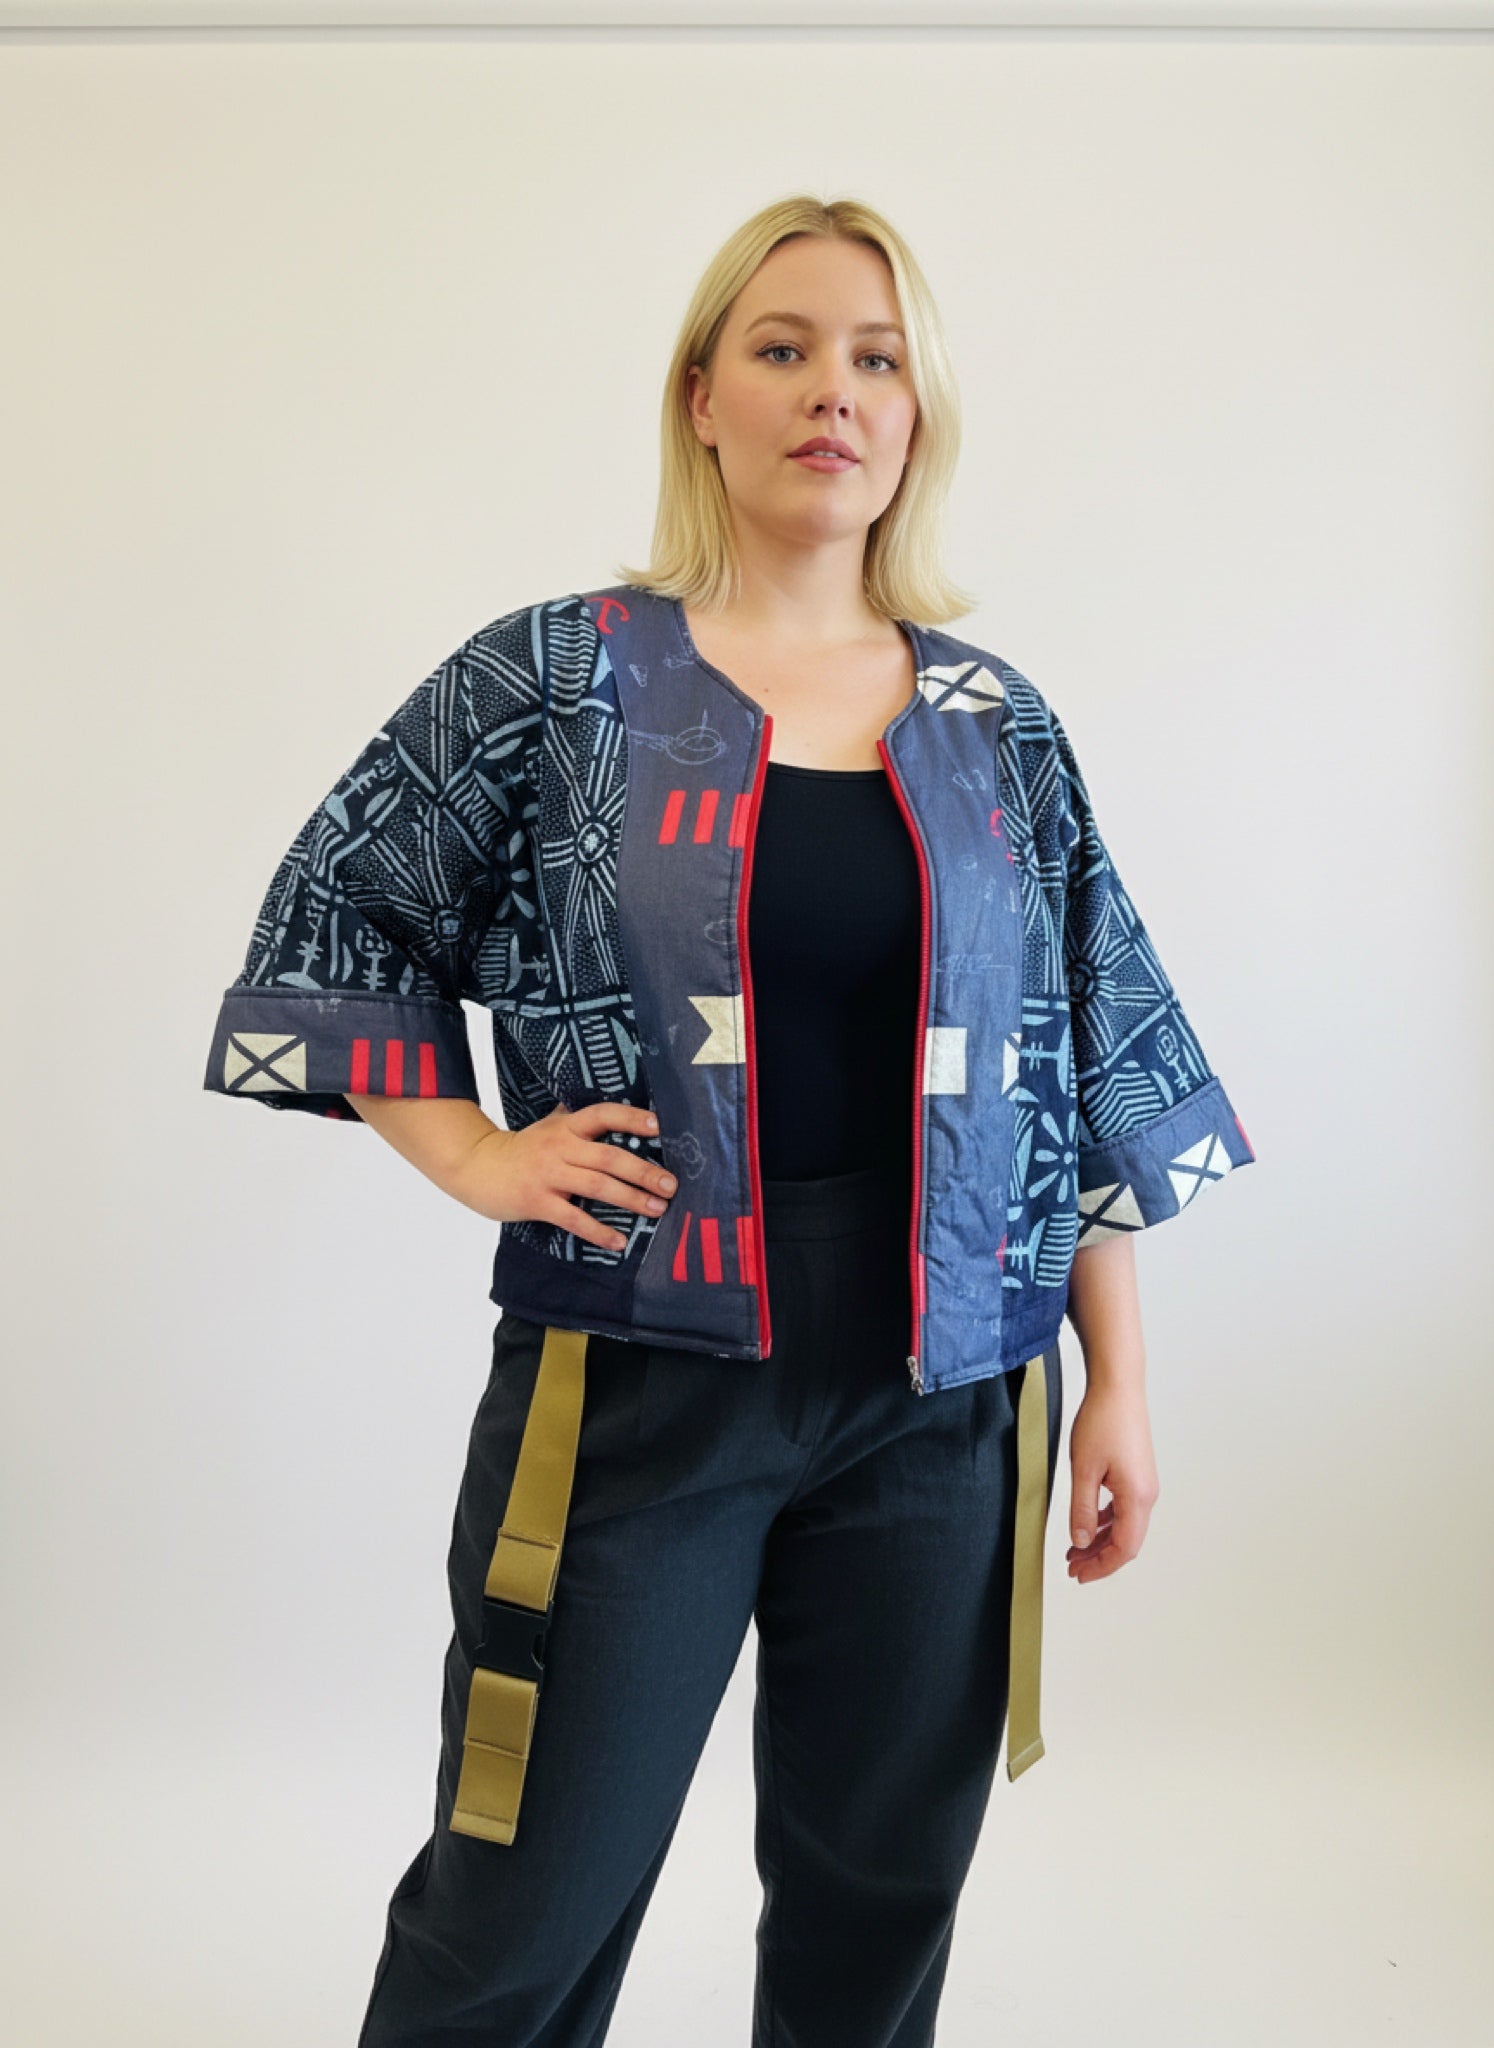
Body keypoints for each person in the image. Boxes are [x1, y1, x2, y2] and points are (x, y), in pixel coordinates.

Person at [203, 194, 1254, 2048]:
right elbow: (340, 920)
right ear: (702, 396)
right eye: (781, 349)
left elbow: (1083, 1059)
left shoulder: (997, 728)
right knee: (525, 1888)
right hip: (639, 1367)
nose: (830, 391)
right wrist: (473, 1153)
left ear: (916, 415)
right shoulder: (560, 680)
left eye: (875, 359)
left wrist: (1121, 1384)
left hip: (947, 1384)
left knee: (878, 1895)